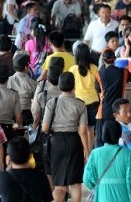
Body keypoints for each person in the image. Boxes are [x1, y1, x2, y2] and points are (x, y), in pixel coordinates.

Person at [42, 72, 89, 202]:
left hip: (56, 143)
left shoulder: (52, 103)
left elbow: (45, 128)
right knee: (75, 183)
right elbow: (83, 131)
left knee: (60, 186)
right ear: (74, 85)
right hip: (74, 141)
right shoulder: (81, 104)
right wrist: (87, 151)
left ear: (59, 86)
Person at [83, 120, 131, 202]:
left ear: (103, 134)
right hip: (123, 197)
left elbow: (87, 179)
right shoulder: (128, 154)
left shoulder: (95, 154)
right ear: (119, 134)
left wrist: (99, 185)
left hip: (102, 197)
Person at [95, 49, 131, 147]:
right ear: (115, 59)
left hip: (104, 112)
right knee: (120, 138)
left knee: (101, 141)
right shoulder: (123, 72)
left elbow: (98, 91)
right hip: (120, 112)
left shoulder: (99, 74)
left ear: (103, 60)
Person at [0, 137, 53, 202]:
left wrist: (8, 167)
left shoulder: (0, 178)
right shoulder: (41, 177)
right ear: (30, 156)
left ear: (8, 158)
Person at [69, 43, 99, 153]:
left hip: (78, 102)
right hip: (93, 101)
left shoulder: (72, 69)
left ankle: (83, 152)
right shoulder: (94, 68)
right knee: (91, 129)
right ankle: (89, 153)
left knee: (81, 130)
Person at [8, 54, 38, 125]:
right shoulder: (32, 83)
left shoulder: (8, 80)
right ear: (26, 67)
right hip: (25, 115)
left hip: (9, 113)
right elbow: (37, 101)